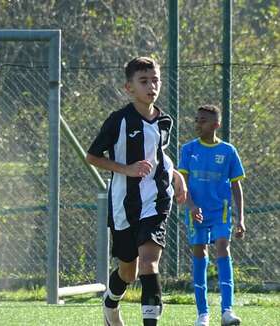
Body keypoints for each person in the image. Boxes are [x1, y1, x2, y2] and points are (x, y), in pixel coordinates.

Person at [86, 56, 187, 326]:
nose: (151, 86)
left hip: (156, 201)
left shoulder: (165, 120)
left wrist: (176, 176)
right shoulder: (118, 121)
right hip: (123, 204)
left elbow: (159, 156)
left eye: (155, 80)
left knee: (148, 263)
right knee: (128, 272)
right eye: (144, 81)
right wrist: (126, 169)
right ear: (129, 87)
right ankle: (110, 302)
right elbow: (92, 156)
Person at [178, 105, 245, 326]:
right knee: (200, 251)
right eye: (196, 119)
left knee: (223, 247)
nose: (198, 123)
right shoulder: (188, 149)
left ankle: (227, 311)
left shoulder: (228, 151)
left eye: (203, 120)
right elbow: (183, 183)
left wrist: (241, 218)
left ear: (216, 125)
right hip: (196, 211)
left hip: (220, 212)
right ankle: (203, 314)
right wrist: (191, 205)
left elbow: (236, 186)